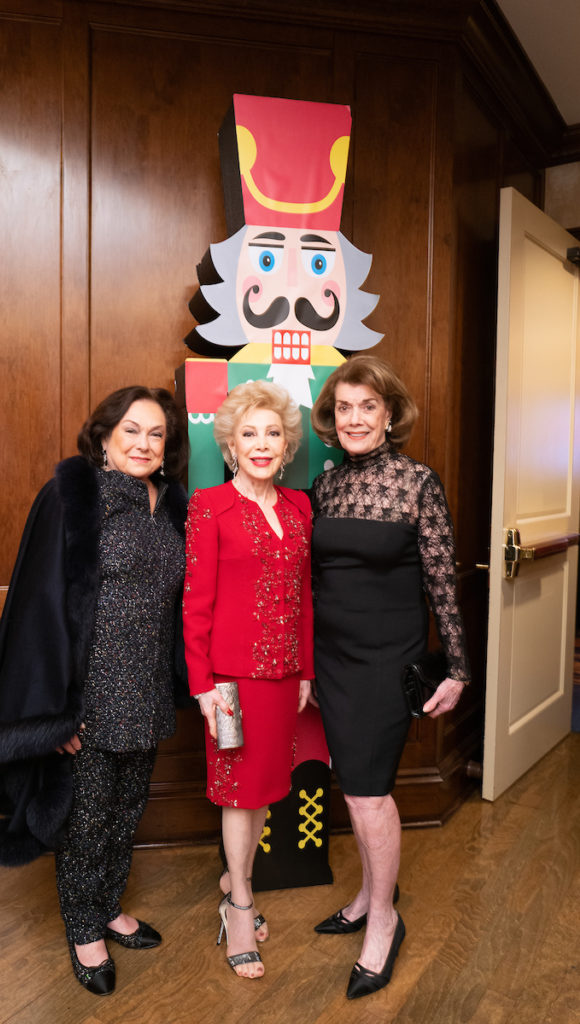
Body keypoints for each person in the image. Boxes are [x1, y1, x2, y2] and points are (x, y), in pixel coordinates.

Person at [0, 386, 189, 997]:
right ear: (104, 435)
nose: (143, 443)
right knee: (84, 819)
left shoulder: (171, 502)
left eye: (156, 434)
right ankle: (84, 930)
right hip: (90, 694)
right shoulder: (72, 496)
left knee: (127, 810)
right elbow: (40, 606)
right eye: (131, 430)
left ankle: (107, 904)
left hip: (149, 689)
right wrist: (56, 713)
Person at [309, 355, 470, 1000]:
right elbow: (313, 581)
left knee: (368, 793)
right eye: (344, 408)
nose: (354, 419)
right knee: (355, 786)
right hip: (333, 660)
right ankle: (369, 893)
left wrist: (457, 668)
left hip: (386, 662)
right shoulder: (324, 488)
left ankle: (383, 920)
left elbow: (441, 580)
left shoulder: (416, 483)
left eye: (366, 407)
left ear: (388, 414)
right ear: (331, 417)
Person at [182, 380, 314, 980]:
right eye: (250, 433)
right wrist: (203, 685)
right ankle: (240, 908)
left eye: (273, 433)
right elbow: (195, 604)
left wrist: (306, 669)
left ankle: (237, 880)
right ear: (231, 444)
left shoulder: (299, 507)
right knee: (238, 791)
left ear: (287, 446)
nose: (262, 443)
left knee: (264, 788)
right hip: (230, 683)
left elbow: (305, 597)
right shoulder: (209, 506)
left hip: (286, 679)